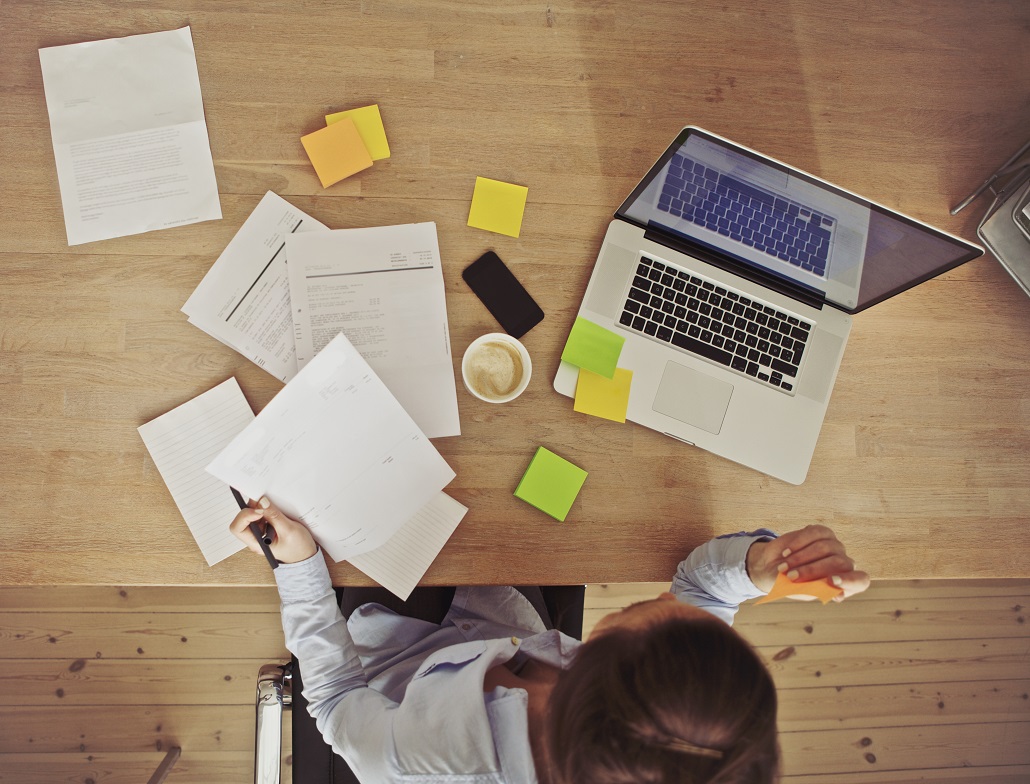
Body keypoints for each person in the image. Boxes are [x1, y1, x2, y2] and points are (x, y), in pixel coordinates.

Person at [231, 498, 870, 784]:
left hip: (382, 652)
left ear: (574, 684)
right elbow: (701, 592)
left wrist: (300, 570)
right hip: (496, 609)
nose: (665, 600)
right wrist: (759, 566)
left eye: (639, 611)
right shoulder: (681, 719)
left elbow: (339, 699)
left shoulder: (425, 765)